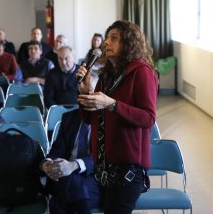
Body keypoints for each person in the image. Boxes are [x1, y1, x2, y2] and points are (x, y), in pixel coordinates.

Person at [77, 20, 158, 214]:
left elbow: (148, 118)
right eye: (107, 38)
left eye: (114, 38)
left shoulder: (142, 72)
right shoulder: (107, 75)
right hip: (103, 168)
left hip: (128, 169)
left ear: (128, 43)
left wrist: (112, 104)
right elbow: (90, 119)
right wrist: (85, 92)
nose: (106, 43)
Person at [40, 108, 100, 214]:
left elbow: (102, 157)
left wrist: (74, 165)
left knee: (57, 203)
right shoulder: (69, 117)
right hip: (65, 175)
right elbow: (57, 151)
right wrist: (47, 164)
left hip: (94, 177)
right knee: (69, 182)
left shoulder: (108, 119)